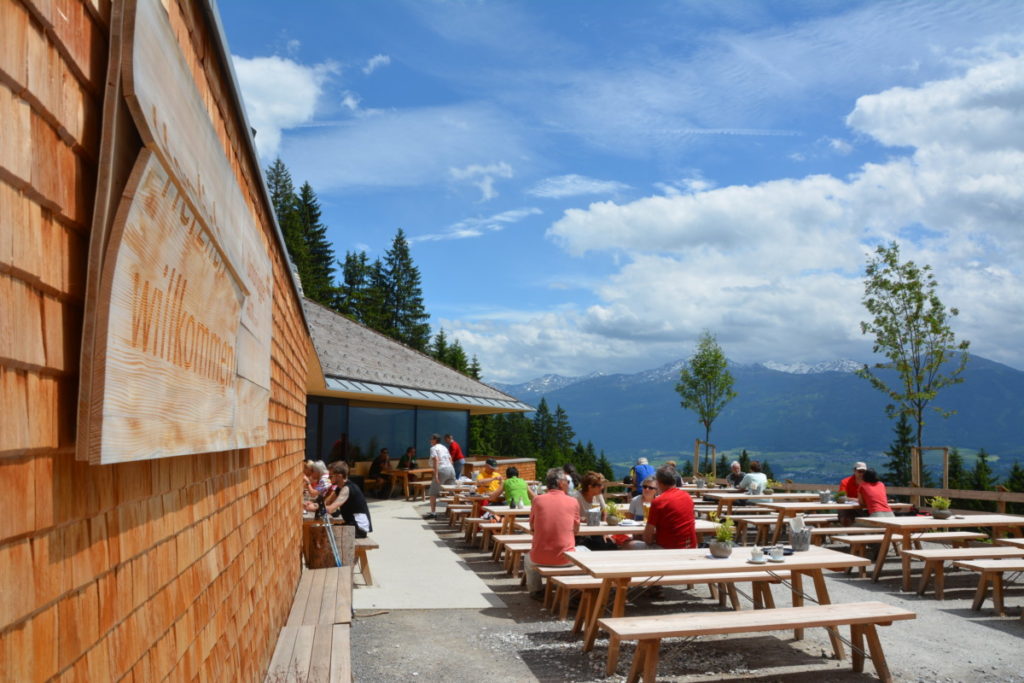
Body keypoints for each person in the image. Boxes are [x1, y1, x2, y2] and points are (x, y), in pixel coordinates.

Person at [525, 468, 582, 599]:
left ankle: (536, 591)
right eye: (567, 481)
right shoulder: (573, 501)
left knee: (527, 558)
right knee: (586, 552)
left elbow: (532, 526)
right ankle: (577, 593)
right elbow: (576, 530)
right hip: (566, 559)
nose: (569, 484)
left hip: (539, 558)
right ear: (561, 483)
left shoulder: (537, 500)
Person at [642, 466, 697, 549]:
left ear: (659, 483)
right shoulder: (687, 497)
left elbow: (647, 538)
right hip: (691, 547)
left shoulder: (659, 501)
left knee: (629, 545)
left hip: (668, 550)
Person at [319, 461, 372, 538]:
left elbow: (330, 509)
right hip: (351, 525)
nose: (328, 478)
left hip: (358, 528)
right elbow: (326, 503)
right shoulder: (339, 488)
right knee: (323, 531)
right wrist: (315, 505)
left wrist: (316, 507)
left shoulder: (347, 489)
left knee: (323, 533)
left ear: (339, 476)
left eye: (330, 476)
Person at [573, 472, 615, 550]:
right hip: (581, 533)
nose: (602, 487)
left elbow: (604, 512)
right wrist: (583, 519)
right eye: (599, 485)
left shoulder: (598, 494)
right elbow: (572, 517)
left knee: (611, 545)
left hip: (596, 531)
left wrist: (604, 533)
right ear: (590, 487)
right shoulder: (576, 497)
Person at [426, 434, 456, 519]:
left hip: (442, 469)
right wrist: (451, 468)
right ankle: (453, 512)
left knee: (433, 492)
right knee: (452, 491)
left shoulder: (433, 448)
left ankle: (433, 513)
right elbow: (450, 459)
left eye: (431, 439)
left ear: (435, 440)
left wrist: (436, 474)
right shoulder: (444, 447)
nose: (430, 441)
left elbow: (436, 460)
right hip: (451, 469)